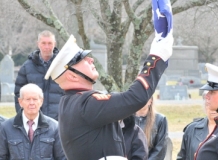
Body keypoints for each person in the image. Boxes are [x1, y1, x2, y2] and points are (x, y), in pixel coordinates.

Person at [44, 1, 173, 158]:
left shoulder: (71, 102)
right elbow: (135, 97)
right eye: (83, 59)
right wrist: (157, 56)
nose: (91, 60)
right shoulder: (85, 104)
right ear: (71, 75)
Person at [0, 83, 66, 159]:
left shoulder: (54, 127)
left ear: (41, 101)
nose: (32, 103)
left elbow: (62, 158)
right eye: (28, 99)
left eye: (35, 99)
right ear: (20, 102)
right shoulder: (6, 127)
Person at [14, 30, 65, 120]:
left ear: (55, 44)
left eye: (50, 43)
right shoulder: (27, 67)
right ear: (38, 44)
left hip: (60, 120)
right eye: (43, 43)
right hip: (34, 120)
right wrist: (23, 116)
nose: (47, 47)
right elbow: (19, 94)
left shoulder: (64, 66)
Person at [176, 91, 218, 160]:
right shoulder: (191, 129)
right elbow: (182, 157)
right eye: (208, 104)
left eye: (215, 105)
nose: (212, 109)